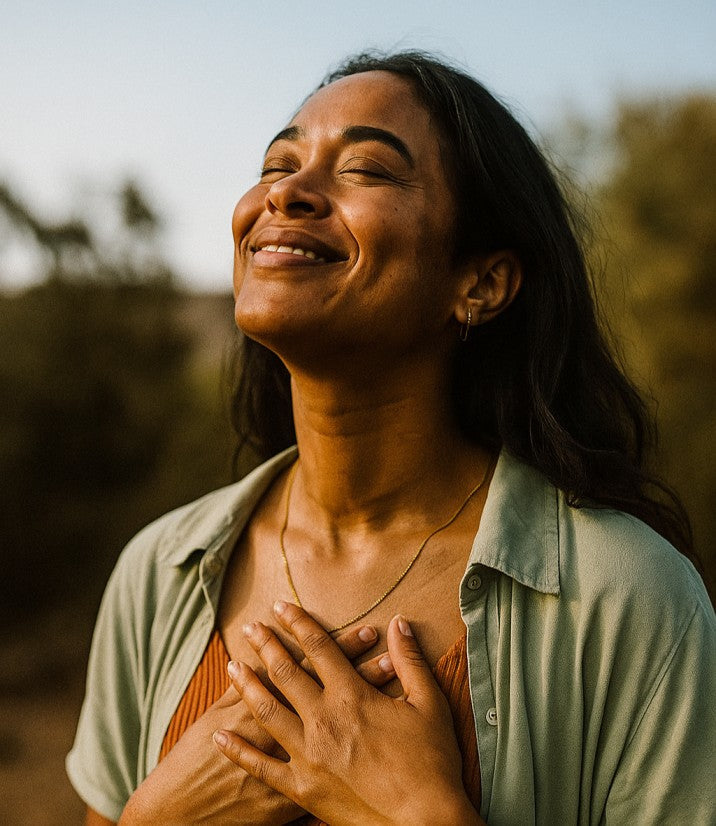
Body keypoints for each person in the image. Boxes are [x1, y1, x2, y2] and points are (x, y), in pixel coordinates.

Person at [67, 51, 715, 825]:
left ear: (481, 282)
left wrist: (421, 813)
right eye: (278, 164)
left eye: (366, 169)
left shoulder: (629, 598)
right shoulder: (159, 573)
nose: (286, 192)